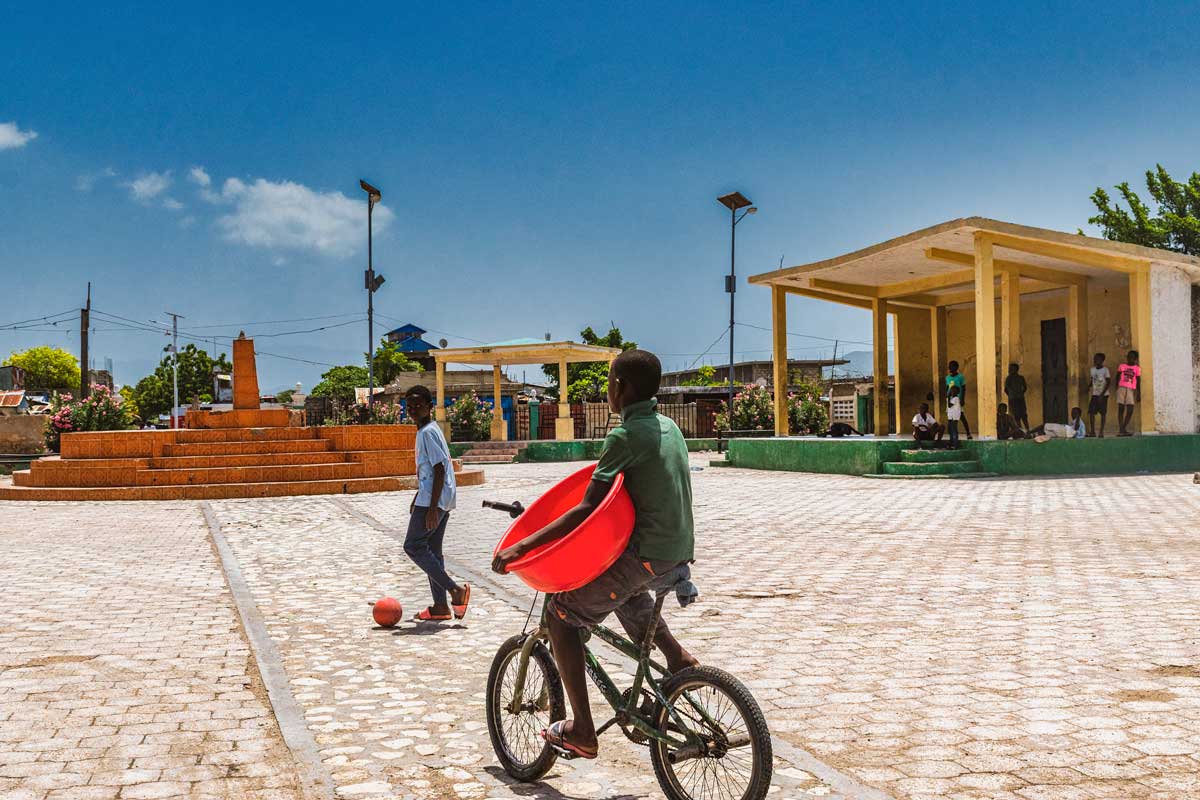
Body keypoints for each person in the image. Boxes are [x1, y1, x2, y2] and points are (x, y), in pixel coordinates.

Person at [492, 349, 698, 760]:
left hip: (646, 554)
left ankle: (583, 730)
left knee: (561, 618)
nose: (607, 391)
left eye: (609, 383)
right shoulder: (667, 426)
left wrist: (522, 546)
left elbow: (588, 507)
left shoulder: (623, 435)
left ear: (620, 388)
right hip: (676, 550)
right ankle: (678, 660)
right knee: (623, 591)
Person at [403, 386, 471, 622]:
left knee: (413, 546)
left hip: (435, 499)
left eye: (418, 405)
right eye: (409, 406)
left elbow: (440, 469)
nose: (413, 410)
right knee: (433, 552)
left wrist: (431, 508)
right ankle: (440, 607)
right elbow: (430, 471)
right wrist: (417, 497)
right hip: (439, 497)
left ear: (429, 407)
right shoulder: (429, 430)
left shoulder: (427, 433)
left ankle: (455, 590)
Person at [945, 361, 973, 440]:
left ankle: (968, 433)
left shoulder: (960, 377)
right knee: (950, 418)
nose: (950, 368)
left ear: (956, 368)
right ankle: (951, 436)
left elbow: (963, 388)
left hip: (957, 400)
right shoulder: (947, 377)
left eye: (952, 366)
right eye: (949, 366)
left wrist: (962, 399)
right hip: (950, 399)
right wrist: (947, 398)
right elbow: (947, 388)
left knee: (961, 416)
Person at [1115, 350, 1140, 437]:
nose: (1130, 359)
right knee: (1121, 408)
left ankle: (1123, 428)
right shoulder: (1122, 366)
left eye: (1132, 357)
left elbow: (1138, 381)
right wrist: (1116, 388)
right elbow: (1117, 376)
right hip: (1121, 388)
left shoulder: (1137, 368)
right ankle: (1122, 429)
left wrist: (1138, 393)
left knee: (1130, 409)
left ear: (1135, 359)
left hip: (1130, 389)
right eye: (1128, 357)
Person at [1088, 352, 1111, 438]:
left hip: (1103, 395)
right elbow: (1092, 380)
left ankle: (1101, 431)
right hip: (1095, 394)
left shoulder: (1105, 370)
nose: (1095, 360)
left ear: (1102, 360)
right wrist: (1088, 386)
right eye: (1094, 358)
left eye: (1097, 359)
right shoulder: (1092, 370)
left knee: (1103, 413)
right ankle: (1093, 431)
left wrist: (1102, 394)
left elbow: (1108, 382)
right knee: (1091, 412)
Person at [1003, 364, 1029, 432]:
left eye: (1012, 369)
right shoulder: (1009, 378)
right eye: (1010, 369)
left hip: (1019, 398)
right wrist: (1012, 395)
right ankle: (1020, 429)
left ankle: (1027, 428)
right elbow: (1006, 389)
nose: (1011, 370)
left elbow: (1025, 387)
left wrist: (1019, 393)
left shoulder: (1021, 378)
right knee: (1016, 414)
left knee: (1023, 414)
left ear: (1017, 369)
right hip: (1013, 398)